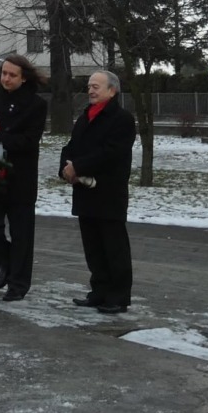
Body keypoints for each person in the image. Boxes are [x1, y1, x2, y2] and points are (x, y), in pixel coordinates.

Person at [59, 69, 136, 315]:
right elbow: (71, 146)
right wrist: (65, 168)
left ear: (112, 91)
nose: (91, 90)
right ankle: (99, 291)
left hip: (108, 193)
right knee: (93, 247)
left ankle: (118, 296)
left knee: (114, 247)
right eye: (89, 86)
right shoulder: (85, 117)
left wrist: (78, 166)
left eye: (96, 86)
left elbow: (112, 152)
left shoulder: (122, 119)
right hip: (85, 192)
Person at [0, 55, 47, 302]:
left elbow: (30, 140)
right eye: (4, 74)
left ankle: (18, 284)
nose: (6, 79)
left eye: (12, 75)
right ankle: (6, 263)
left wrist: (0, 139)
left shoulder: (36, 104)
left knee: (22, 234)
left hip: (21, 177)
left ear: (23, 77)